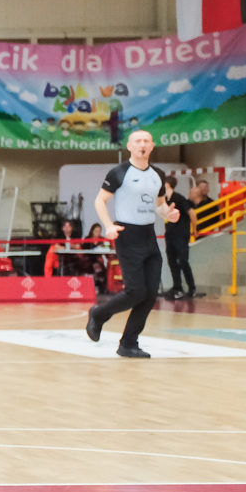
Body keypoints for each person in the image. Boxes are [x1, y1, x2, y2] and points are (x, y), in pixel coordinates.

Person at [85, 130, 182, 359]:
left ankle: (128, 343)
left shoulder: (158, 175)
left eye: (146, 141)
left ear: (152, 146)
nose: (142, 144)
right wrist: (108, 225)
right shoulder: (119, 173)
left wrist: (169, 214)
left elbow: (160, 206)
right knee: (136, 291)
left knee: (150, 294)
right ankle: (99, 313)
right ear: (129, 146)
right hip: (127, 234)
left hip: (149, 235)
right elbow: (100, 201)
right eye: (137, 141)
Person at [162, 176, 199, 300]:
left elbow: (191, 212)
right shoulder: (165, 200)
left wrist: (194, 229)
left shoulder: (178, 198)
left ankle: (192, 287)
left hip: (180, 235)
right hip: (170, 235)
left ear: (167, 185)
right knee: (172, 261)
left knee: (183, 261)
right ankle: (177, 287)